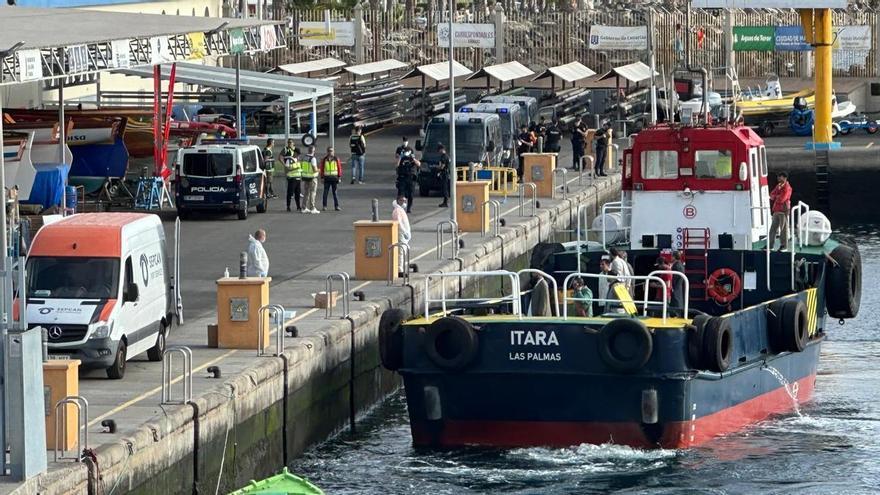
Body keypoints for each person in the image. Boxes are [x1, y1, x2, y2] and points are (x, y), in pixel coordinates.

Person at [768, 172, 792, 251]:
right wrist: (776, 196)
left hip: (783, 210)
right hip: (776, 210)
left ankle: (784, 246)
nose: (778, 178)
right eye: (778, 177)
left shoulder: (787, 187)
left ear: (785, 178)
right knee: (773, 229)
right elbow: (771, 195)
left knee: (783, 229)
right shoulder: (778, 186)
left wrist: (775, 196)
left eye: (780, 177)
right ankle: (770, 246)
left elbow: (782, 199)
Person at [391, 195, 411, 274]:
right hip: (400, 234)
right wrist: (404, 232)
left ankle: (401, 268)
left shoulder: (400, 210)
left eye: (405, 201)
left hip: (403, 234)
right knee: (401, 252)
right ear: (398, 201)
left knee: (403, 251)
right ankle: (400, 270)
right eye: (403, 201)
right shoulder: (397, 211)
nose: (404, 202)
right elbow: (398, 223)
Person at [396, 149, 419, 213]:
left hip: (411, 179)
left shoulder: (412, 159)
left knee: (410, 194)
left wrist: (413, 159)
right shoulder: (402, 159)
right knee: (401, 194)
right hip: (403, 178)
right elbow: (397, 166)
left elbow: (419, 164)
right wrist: (400, 158)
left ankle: (409, 208)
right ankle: (400, 207)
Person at [320, 146, 343, 211]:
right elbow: (321, 169)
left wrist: (339, 177)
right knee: (325, 193)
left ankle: (337, 206)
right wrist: (322, 177)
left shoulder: (336, 159)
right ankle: (324, 206)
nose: (330, 152)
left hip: (334, 178)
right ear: (327, 152)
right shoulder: (324, 159)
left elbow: (339, 168)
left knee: (335, 193)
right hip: (327, 178)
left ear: (333, 152)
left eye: (331, 151)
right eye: (329, 151)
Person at [300, 146, 319, 214]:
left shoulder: (304, 157)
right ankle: (312, 208)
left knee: (306, 193)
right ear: (313, 151)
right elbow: (314, 169)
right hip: (312, 177)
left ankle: (304, 207)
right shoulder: (313, 158)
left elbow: (301, 166)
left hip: (305, 177)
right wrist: (318, 170)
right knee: (313, 193)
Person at [283, 145, 302, 212]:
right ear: (295, 153)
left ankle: (298, 206)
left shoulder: (298, 160)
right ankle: (288, 206)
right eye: (298, 154)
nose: (298, 155)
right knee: (290, 193)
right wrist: (295, 168)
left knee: (297, 193)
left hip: (298, 179)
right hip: (292, 178)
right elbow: (287, 168)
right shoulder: (289, 160)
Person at [670, 251, 687, 317]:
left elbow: (674, 278)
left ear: (674, 257)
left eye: (672, 256)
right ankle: (678, 314)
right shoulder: (680, 265)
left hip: (676, 286)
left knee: (676, 299)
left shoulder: (676, 266)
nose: (671, 258)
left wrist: (672, 286)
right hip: (679, 285)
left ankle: (676, 314)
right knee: (678, 299)